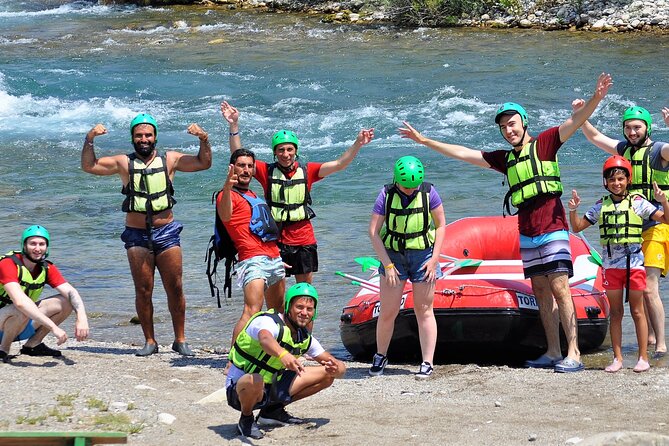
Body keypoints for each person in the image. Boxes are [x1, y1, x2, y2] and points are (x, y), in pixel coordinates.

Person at [399, 73, 613, 373]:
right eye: (503, 127)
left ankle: (573, 352)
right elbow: (464, 154)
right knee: (539, 289)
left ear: (524, 123)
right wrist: (425, 141)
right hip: (526, 230)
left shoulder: (546, 142)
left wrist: (597, 98)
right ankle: (552, 351)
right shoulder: (505, 159)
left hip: (552, 226)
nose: (508, 130)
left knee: (560, 287)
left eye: (511, 124)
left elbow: (576, 123)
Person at [81, 113, 212, 357]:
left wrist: (204, 139)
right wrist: (90, 139)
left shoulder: (170, 159)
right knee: (143, 290)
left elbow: (204, 164)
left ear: (155, 137)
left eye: (148, 135)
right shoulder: (123, 163)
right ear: (132, 138)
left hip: (167, 232)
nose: (144, 139)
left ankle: (180, 339)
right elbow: (89, 166)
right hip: (136, 235)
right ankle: (150, 341)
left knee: (175, 287)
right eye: (139, 135)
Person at [222, 101, 374, 284]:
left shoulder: (308, 170)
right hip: (275, 240)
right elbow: (239, 155)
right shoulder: (265, 171)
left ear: (295, 151)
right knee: (276, 291)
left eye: (289, 149)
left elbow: (340, 164)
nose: (285, 154)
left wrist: (358, 143)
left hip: (303, 238)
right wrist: (234, 125)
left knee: (304, 291)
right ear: (275, 153)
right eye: (281, 150)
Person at [574, 104, 669, 359]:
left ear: (648, 127)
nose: (632, 131)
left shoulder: (660, 150)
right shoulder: (623, 150)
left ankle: (660, 343)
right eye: (628, 127)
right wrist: (581, 116)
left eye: (637, 127)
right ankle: (647, 337)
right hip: (631, 225)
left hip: (657, 224)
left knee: (649, 287)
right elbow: (595, 137)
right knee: (642, 289)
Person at [226, 282, 346, 439]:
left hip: (270, 388)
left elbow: (335, 363)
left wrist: (338, 369)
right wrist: (283, 354)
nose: (304, 313)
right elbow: (265, 339)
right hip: (240, 388)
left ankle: (272, 412)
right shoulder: (268, 322)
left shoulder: (304, 339)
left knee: (327, 375)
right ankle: (246, 419)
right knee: (255, 379)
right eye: (299, 307)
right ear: (289, 306)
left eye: (309, 309)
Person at [368, 156, 446, 379]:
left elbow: (441, 226)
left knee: (424, 310)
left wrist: (434, 260)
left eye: (414, 187)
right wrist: (388, 265)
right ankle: (380, 355)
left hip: (423, 255)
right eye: (405, 186)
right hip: (393, 256)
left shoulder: (429, 192)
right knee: (388, 311)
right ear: (396, 180)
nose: (410, 190)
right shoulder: (386, 195)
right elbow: (373, 232)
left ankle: (427, 362)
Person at [217, 149, 285, 352]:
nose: (246, 170)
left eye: (249, 166)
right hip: (252, 260)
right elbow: (226, 216)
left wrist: (278, 257)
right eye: (241, 165)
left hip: (274, 258)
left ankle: (272, 355)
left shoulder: (253, 195)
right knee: (252, 311)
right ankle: (233, 360)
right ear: (232, 168)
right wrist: (228, 187)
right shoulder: (225, 195)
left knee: (278, 312)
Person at [0, 225, 89, 362]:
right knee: (21, 308)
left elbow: (71, 292)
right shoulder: (8, 264)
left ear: (47, 247)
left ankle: (33, 345)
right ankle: (3, 350)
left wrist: (81, 317)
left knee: (65, 302)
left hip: (17, 323)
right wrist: (54, 328)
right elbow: (20, 302)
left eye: (42, 244)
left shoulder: (46, 268)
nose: (37, 248)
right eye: (32, 244)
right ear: (24, 245)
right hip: (7, 316)